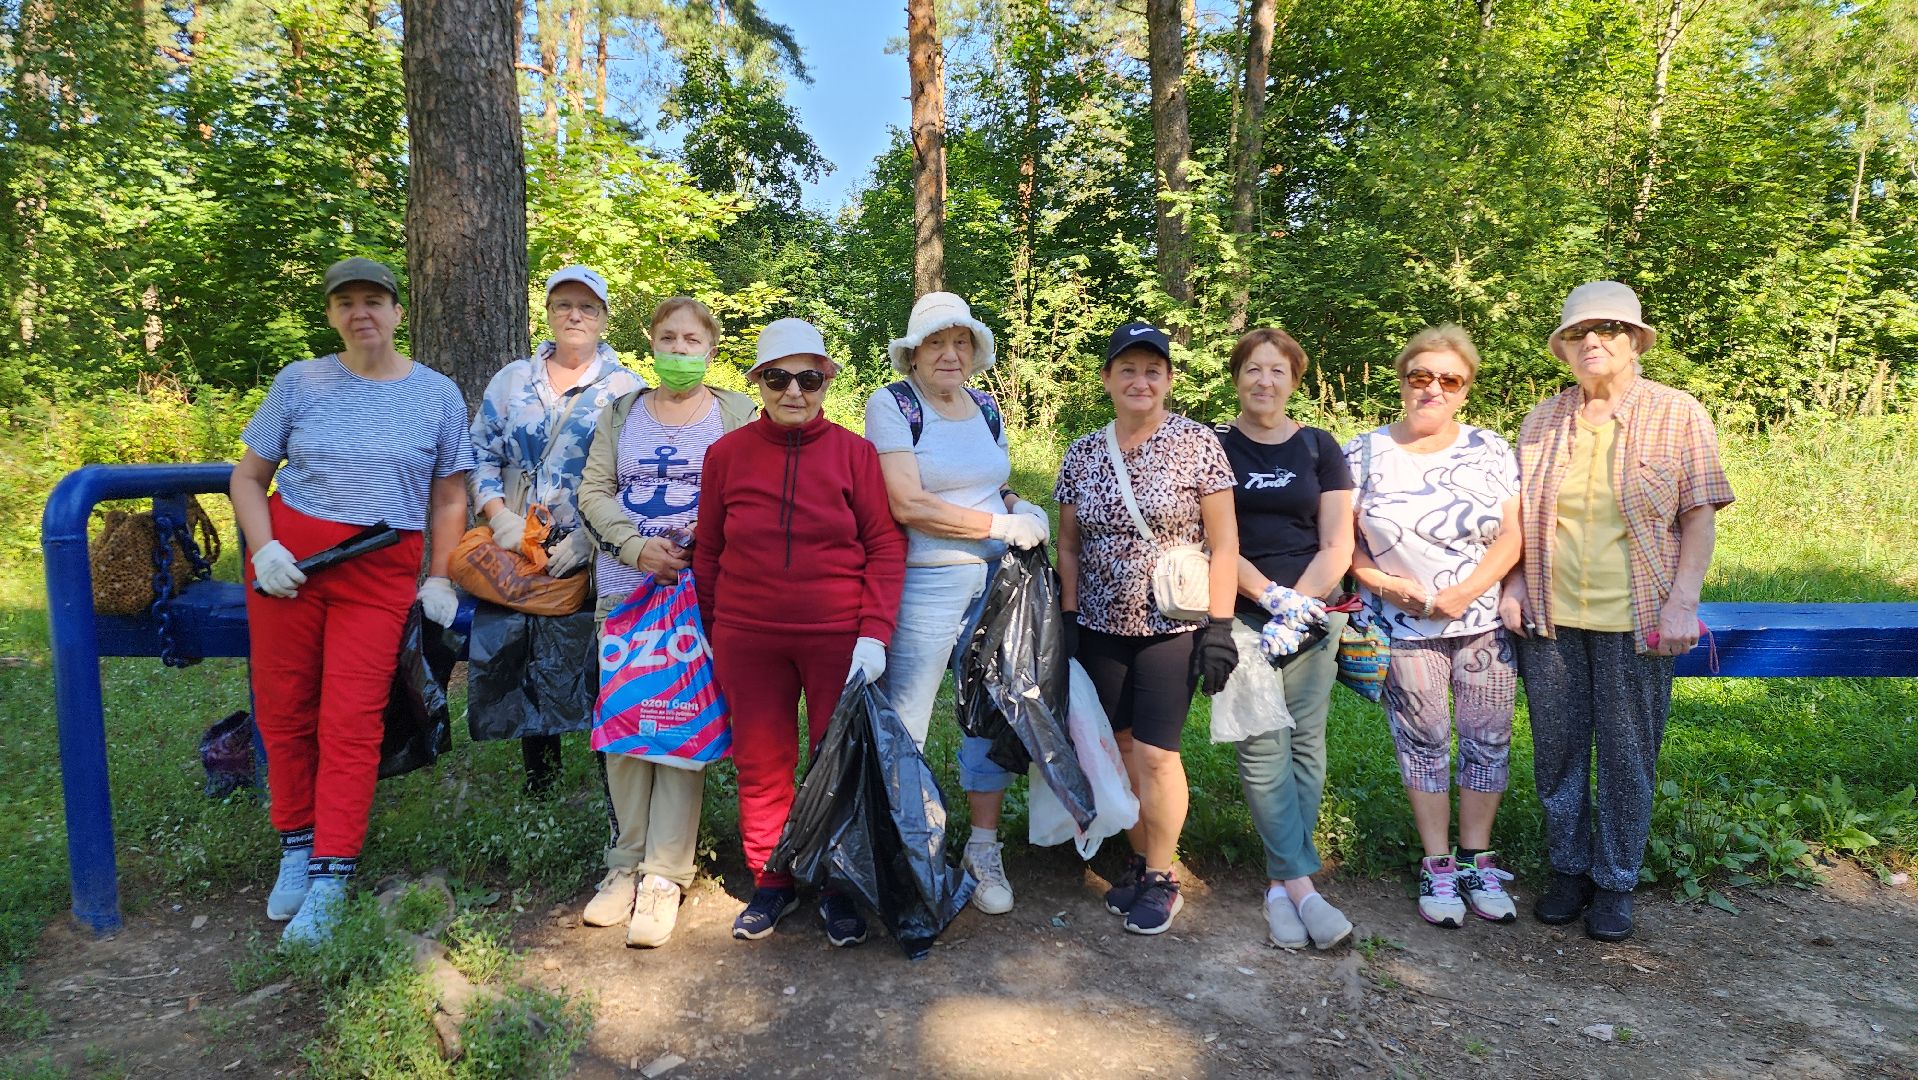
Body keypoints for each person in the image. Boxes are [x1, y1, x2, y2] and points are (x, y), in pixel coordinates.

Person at [231, 257, 474, 945]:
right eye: (345, 303)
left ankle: (335, 871)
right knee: (284, 707)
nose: (360, 313)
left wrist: (440, 575)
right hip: (291, 569)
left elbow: (450, 493)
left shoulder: (436, 394)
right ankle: (296, 847)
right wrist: (263, 547)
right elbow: (248, 478)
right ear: (332, 314)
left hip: (379, 572)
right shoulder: (300, 382)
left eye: (374, 300)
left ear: (398, 312)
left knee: (353, 716)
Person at [1502, 281, 1733, 942]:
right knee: (1558, 751)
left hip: (1638, 617)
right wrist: (1515, 583)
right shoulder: (1543, 419)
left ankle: (1615, 881)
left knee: (1629, 755)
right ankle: (1570, 870)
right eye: (1578, 333)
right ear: (1564, 348)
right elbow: (1520, 518)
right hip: (1551, 616)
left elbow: (1699, 516)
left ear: (1634, 341)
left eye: (1608, 329)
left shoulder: (1677, 413)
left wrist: (1683, 602)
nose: (1592, 341)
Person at [694, 318, 907, 947]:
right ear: (759, 382)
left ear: (826, 382)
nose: (795, 392)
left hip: (838, 634)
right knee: (763, 762)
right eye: (780, 378)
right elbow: (708, 551)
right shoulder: (726, 456)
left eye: (809, 378)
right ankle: (773, 879)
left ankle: (839, 884)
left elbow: (884, 547)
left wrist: (873, 632)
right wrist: (713, 627)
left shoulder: (854, 453)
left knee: (834, 761)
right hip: (747, 635)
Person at [575, 296, 757, 948]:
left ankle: (664, 875)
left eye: (692, 340)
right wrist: (636, 546)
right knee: (626, 725)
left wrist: (699, 539)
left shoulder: (737, 411)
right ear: (651, 344)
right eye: (669, 339)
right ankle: (623, 865)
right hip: (626, 594)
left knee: (680, 720)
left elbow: (751, 489)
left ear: (712, 348)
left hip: (699, 595)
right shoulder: (621, 413)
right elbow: (592, 492)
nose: (680, 351)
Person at [1054, 321, 1239, 936]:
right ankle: (1137, 856)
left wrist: (1219, 626)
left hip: (1172, 626)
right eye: (1127, 369)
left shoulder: (1196, 443)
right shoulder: (1081, 452)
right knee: (1120, 746)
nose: (1141, 380)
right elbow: (1070, 546)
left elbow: (1225, 541)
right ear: (1107, 379)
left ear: (1168, 379)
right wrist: (1071, 618)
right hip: (1102, 626)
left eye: (1152, 370)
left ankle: (1162, 874)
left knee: (1159, 754)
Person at [866, 292, 1048, 917]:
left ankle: (982, 847)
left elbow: (988, 480)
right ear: (913, 353)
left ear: (974, 351)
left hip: (996, 584)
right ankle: (906, 853)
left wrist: (1017, 504)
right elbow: (908, 503)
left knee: (991, 711)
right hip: (926, 583)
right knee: (906, 721)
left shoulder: (987, 407)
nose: (950, 354)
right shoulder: (892, 406)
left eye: (961, 342)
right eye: (936, 343)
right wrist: (998, 528)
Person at [1345, 325, 1521, 930]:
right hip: (1402, 626)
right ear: (1402, 381)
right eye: (1420, 376)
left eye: (1449, 380)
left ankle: (1478, 859)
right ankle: (1438, 864)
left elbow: (1514, 536)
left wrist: (1467, 592)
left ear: (1465, 389)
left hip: (1482, 624)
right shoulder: (1362, 453)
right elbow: (1345, 547)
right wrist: (1390, 586)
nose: (1433, 389)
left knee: (1487, 739)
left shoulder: (1492, 450)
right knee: (1424, 743)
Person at [468, 266, 644, 795]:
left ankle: (606, 772)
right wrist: (496, 513)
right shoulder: (512, 379)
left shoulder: (625, 387)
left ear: (604, 318)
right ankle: (539, 781)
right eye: (564, 304)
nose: (575, 315)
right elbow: (479, 451)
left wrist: (593, 537)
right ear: (547, 313)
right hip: (517, 538)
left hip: (595, 544)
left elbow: (635, 474)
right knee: (523, 642)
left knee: (596, 648)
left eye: (587, 307)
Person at [1209, 327, 1357, 951]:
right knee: (1262, 744)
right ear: (1236, 376)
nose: (1264, 381)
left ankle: (1279, 886)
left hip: (1314, 615)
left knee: (1305, 743)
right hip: (1243, 612)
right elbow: (1218, 540)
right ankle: (1301, 886)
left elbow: (1337, 542)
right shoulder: (1213, 447)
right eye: (1252, 369)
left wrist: (1301, 604)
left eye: (1277, 371)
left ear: (1294, 380)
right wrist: (1268, 597)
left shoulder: (1321, 447)